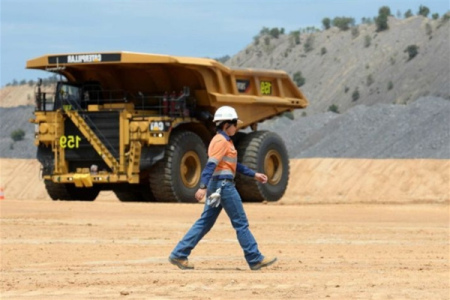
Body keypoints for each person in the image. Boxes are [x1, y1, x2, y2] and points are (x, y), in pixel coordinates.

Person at [169, 106, 277, 271]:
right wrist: (202, 187)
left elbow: (234, 165)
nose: (236, 127)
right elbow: (210, 164)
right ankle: (254, 258)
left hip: (218, 186)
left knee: (205, 222)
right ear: (227, 124)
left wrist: (254, 174)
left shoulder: (226, 141)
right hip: (223, 187)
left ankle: (179, 253)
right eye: (235, 124)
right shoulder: (220, 141)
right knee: (241, 223)